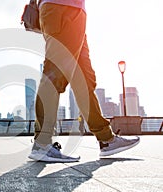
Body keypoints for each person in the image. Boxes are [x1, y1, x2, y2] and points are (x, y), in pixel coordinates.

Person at [28, 0, 140, 162]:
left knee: (85, 81)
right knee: (54, 74)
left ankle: (106, 139)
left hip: (75, 12)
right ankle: (42, 142)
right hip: (61, 8)